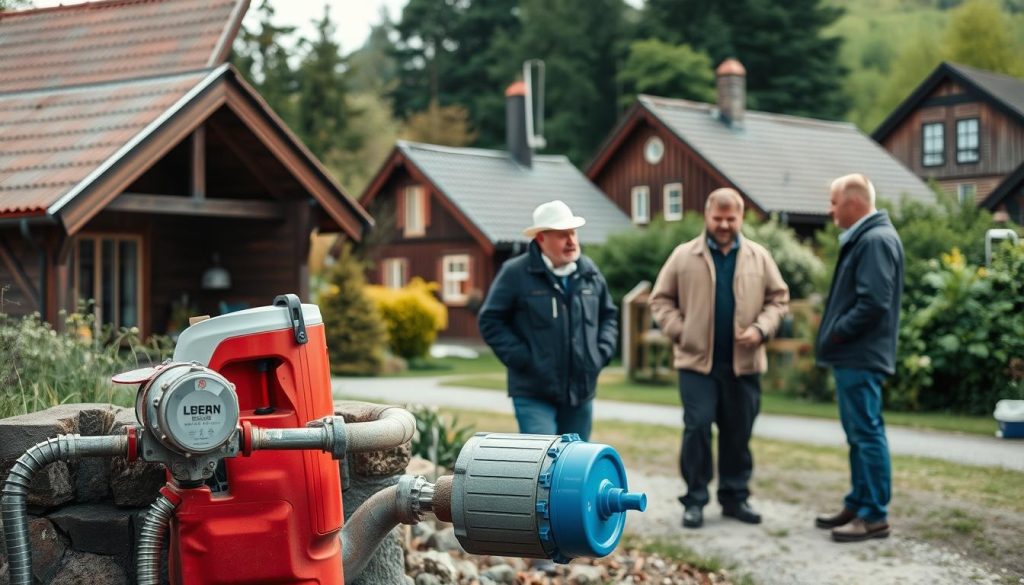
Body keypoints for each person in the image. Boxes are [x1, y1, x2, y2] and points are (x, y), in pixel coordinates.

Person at [649, 188, 789, 529]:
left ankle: (735, 497)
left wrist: (761, 329)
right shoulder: (684, 256)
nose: (724, 224)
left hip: (744, 365)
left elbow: (779, 299)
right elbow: (659, 300)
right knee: (697, 428)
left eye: (731, 218)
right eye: (718, 218)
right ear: (707, 216)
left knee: (737, 432)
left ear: (740, 218)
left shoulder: (759, 256)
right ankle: (695, 500)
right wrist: (681, 330)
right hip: (697, 364)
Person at [478, 200, 618, 440]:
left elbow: (609, 316)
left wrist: (600, 353)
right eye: (562, 235)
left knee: (575, 466)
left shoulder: (589, 272)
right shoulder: (515, 273)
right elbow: (490, 321)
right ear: (541, 238)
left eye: (573, 233)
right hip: (532, 392)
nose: (572, 241)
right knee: (543, 464)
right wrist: (524, 359)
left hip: (580, 393)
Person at [814, 173, 903, 543]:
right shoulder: (868, 238)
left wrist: (836, 331)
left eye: (833, 202)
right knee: (858, 434)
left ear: (853, 202)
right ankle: (858, 502)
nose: (830, 209)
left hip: (860, 355)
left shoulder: (875, 240)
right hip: (855, 355)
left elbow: (874, 302)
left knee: (866, 434)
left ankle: (874, 516)